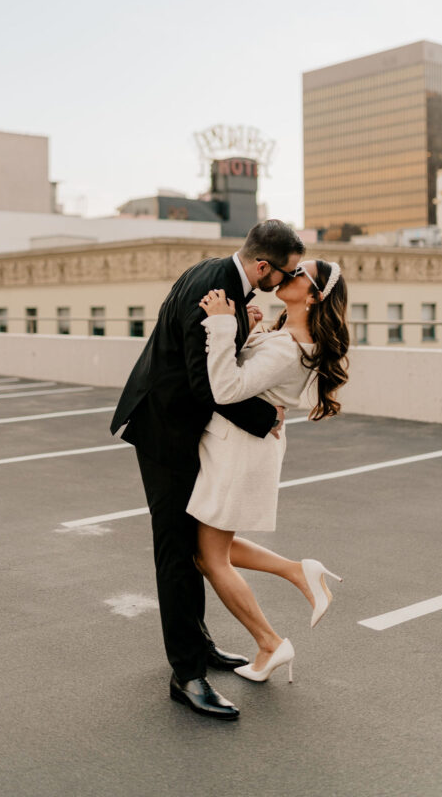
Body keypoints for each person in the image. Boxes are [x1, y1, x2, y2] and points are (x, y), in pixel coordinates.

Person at [110, 220, 305, 720]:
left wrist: (243, 325)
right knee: (177, 554)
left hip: (181, 429)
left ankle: (200, 647)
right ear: (263, 265)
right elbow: (209, 386)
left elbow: (210, 359)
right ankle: (187, 675)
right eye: (284, 272)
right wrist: (267, 416)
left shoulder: (224, 280)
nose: (286, 281)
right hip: (166, 432)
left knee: (196, 545)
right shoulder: (215, 287)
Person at [188, 258, 349, 684]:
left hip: (238, 452)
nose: (288, 275)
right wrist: (250, 327)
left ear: (314, 296)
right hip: (239, 447)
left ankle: (270, 643)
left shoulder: (288, 345)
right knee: (210, 547)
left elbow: (226, 387)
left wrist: (223, 325)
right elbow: (253, 375)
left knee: (209, 557)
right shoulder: (288, 337)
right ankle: (298, 571)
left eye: (300, 275)